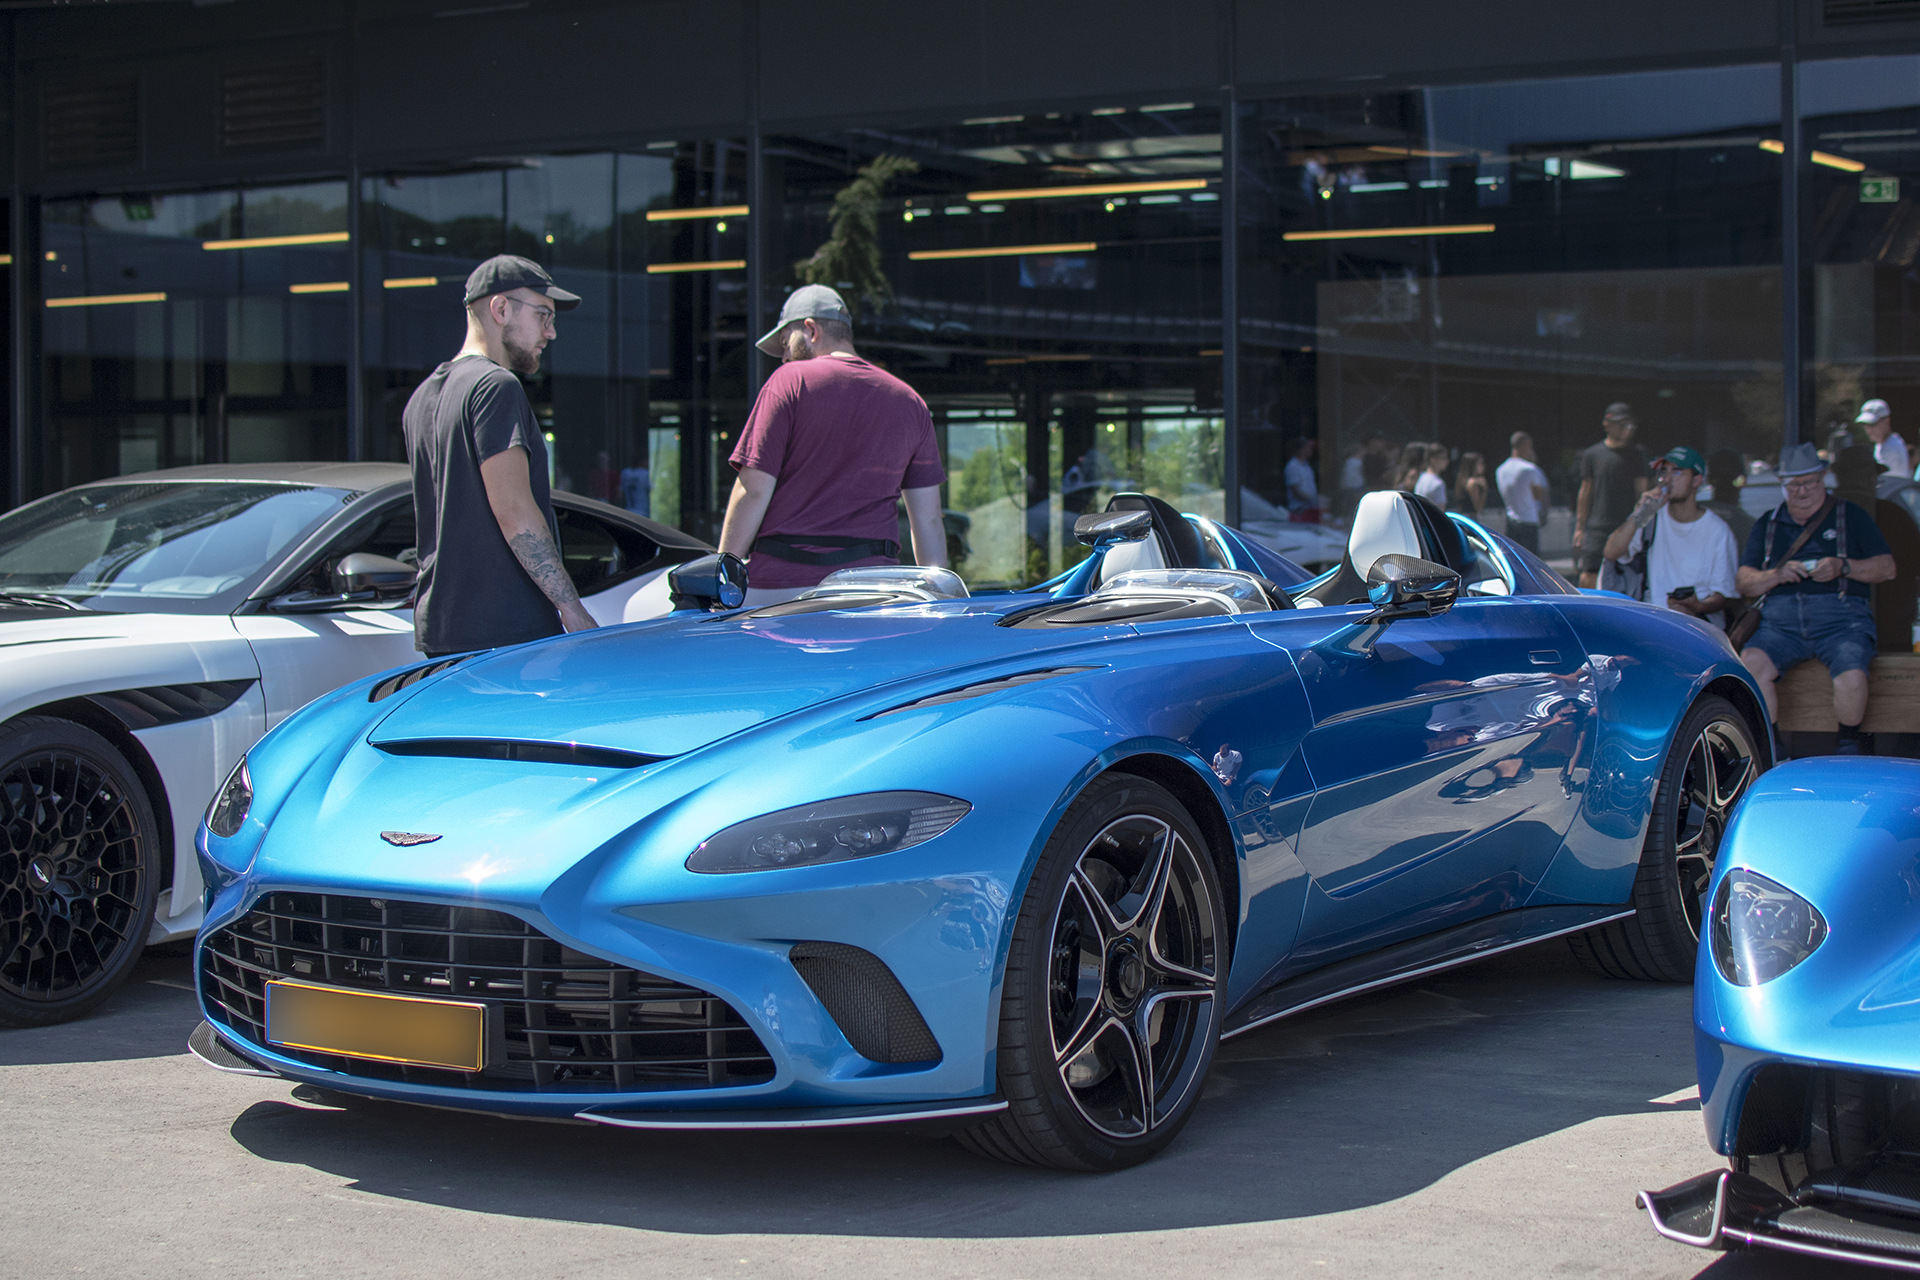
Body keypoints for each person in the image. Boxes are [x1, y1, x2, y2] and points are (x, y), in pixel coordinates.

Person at [402, 255, 598, 656]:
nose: (551, 332)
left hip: (442, 625)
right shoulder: (496, 387)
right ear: (501, 308)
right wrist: (571, 608)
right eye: (543, 314)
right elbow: (514, 509)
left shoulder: (422, 398)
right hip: (503, 630)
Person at [722, 285, 948, 606]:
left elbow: (754, 491)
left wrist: (721, 572)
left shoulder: (789, 382)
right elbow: (928, 519)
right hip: (876, 592)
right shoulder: (909, 401)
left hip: (782, 590)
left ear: (811, 330)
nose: (785, 356)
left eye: (786, 342)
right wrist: (937, 601)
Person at [1737, 442, 1897, 756]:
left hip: (1841, 621)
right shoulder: (1768, 524)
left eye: (1810, 481)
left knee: (1851, 670)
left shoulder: (1850, 515)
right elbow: (1744, 582)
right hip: (1780, 625)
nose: (1803, 490)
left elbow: (1887, 568)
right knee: (1751, 664)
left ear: (1823, 478)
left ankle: (1848, 746)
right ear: (1782, 484)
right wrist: (1777, 575)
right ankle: (1773, 751)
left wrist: (1843, 566)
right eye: (1794, 484)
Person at [1600, 446, 1738, 629]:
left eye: (1677, 472)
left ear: (1697, 480)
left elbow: (1722, 594)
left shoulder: (1718, 531)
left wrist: (1697, 605)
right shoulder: (1650, 517)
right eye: (1664, 471)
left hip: (1697, 624)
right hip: (1652, 619)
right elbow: (1611, 552)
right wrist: (1639, 514)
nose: (1667, 479)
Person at [1574, 402, 1649, 588]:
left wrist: (1643, 524)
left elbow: (1643, 491)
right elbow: (1585, 492)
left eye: (1629, 424)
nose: (1626, 428)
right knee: (1589, 576)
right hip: (1598, 527)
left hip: (1627, 526)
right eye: (1621, 424)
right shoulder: (1592, 454)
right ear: (1607, 424)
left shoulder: (1637, 454)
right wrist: (1580, 528)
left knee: (1631, 576)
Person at [1496, 431, 1550, 554]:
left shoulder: (1500, 469)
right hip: (1529, 520)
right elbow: (1539, 495)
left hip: (1510, 521)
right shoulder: (1529, 469)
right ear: (1524, 445)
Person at [1856, 398, 1909, 479]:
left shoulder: (1891, 448)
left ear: (1886, 421)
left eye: (1872, 423)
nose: (1868, 429)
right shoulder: (1882, 444)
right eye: (1864, 424)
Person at [1285, 437, 1320, 522]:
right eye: (1307, 447)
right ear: (1301, 449)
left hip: (1310, 509)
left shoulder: (1307, 466)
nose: (1310, 450)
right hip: (1299, 511)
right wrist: (1313, 500)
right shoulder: (1292, 466)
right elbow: (1295, 491)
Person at [1453, 451, 1488, 516]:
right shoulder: (1472, 483)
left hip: (1462, 516)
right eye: (1480, 463)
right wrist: (1484, 488)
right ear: (1472, 465)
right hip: (1471, 517)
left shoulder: (1461, 480)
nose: (1483, 466)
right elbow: (1478, 508)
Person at [619, 453, 651, 517]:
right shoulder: (645, 474)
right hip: (643, 512)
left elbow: (620, 493)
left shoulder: (625, 473)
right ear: (642, 461)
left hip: (628, 511)